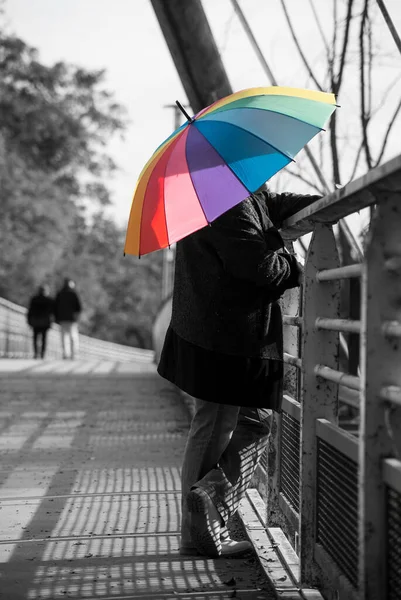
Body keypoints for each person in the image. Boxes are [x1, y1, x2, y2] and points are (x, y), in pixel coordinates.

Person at [157, 185, 328, 558]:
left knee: (251, 422)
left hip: (222, 332)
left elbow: (270, 204)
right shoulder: (221, 198)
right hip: (222, 336)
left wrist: (322, 199)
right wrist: (298, 268)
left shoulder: (234, 188)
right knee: (216, 421)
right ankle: (198, 528)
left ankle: (208, 508)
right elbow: (258, 267)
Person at [54, 278, 82, 359]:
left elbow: (55, 307)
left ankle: (66, 354)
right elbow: (79, 307)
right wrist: (77, 317)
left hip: (62, 319)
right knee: (73, 336)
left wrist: (57, 318)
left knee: (64, 337)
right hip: (72, 319)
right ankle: (74, 354)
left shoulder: (60, 294)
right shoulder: (73, 294)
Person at [27, 284, 54, 359]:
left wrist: (29, 321)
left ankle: (36, 353)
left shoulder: (34, 299)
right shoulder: (49, 300)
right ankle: (42, 354)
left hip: (36, 321)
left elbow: (30, 311)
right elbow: (52, 312)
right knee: (44, 338)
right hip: (45, 322)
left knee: (35, 338)